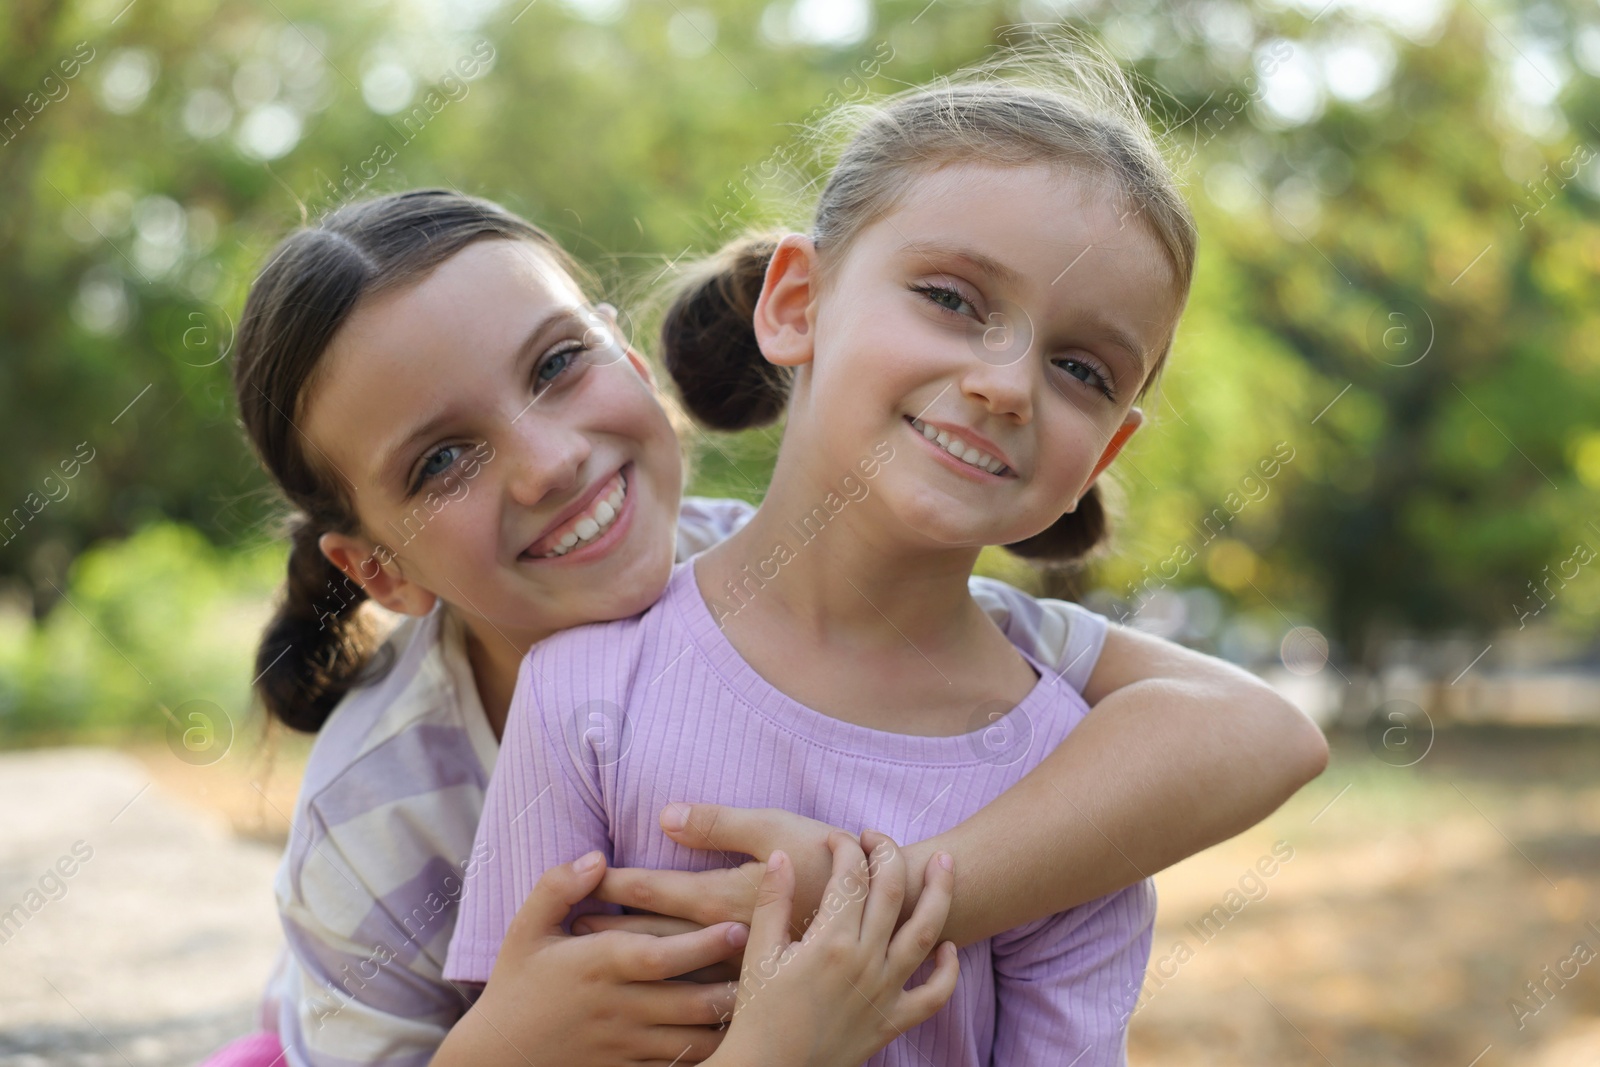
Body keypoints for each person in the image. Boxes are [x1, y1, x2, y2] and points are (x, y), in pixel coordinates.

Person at [207, 171, 1323, 1066]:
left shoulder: (814, 578)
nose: (548, 461)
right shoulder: (377, 809)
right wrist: (505, 1043)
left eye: (558, 365)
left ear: (629, 362)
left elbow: (1259, 731)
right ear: (381, 569)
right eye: (443, 459)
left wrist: (878, 907)